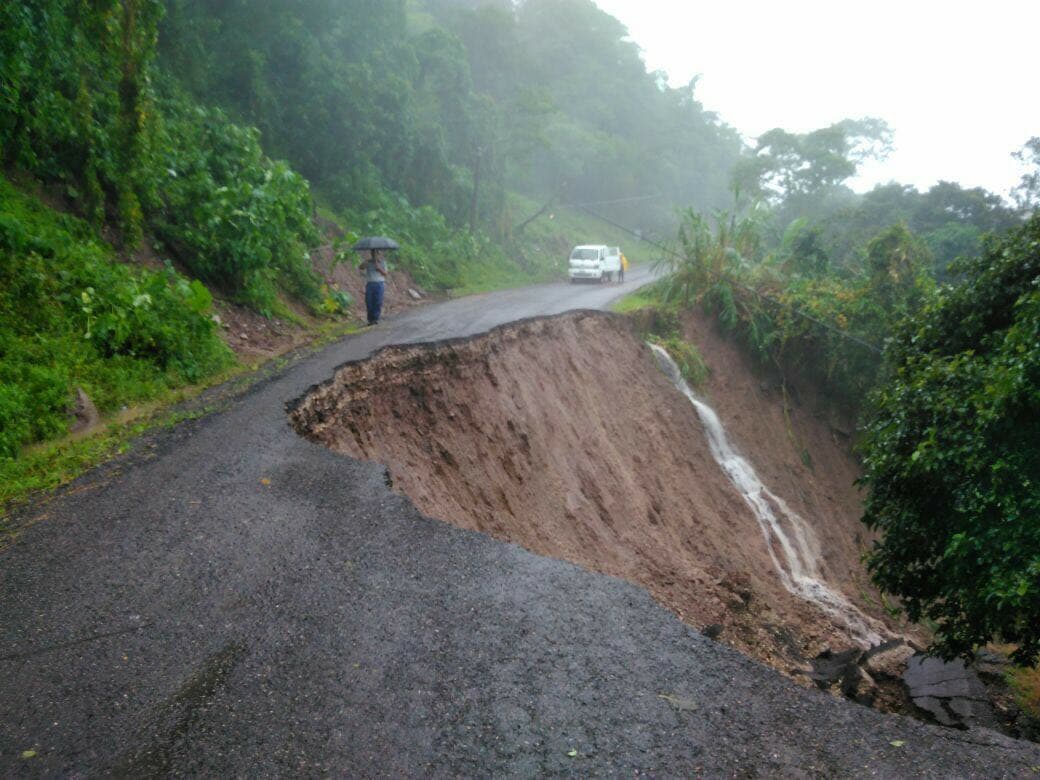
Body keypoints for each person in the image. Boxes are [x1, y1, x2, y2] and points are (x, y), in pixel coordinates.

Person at [362, 249, 388, 325]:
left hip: (379, 283)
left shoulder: (382, 262)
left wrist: (379, 269)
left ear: (378, 254)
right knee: (369, 301)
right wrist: (366, 262)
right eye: (373, 253)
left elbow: (385, 273)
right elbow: (361, 267)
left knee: (378, 301)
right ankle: (370, 319)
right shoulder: (368, 262)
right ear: (371, 254)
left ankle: (376, 318)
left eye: (376, 253)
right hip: (370, 283)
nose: (374, 255)